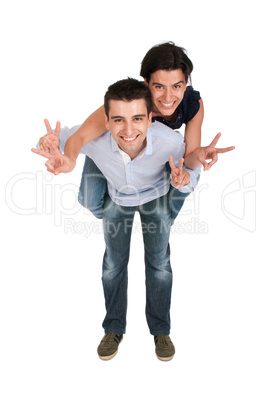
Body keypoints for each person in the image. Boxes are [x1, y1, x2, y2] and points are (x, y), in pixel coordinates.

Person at [32, 78, 203, 361]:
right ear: (107, 121)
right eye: (118, 120)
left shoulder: (171, 141)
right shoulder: (96, 140)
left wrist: (184, 179)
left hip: (156, 197)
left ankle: (161, 330)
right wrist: (48, 143)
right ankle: (113, 328)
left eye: (137, 118)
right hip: (118, 199)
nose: (128, 129)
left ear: (150, 119)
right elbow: (62, 139)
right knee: (113, 264)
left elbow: (190, 172)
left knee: (159, 264)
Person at [39, 42, 234, 220]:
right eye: (159, 86)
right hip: (118, 146)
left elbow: (189, 159)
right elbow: (80, 136)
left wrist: (198, 154)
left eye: (176, 86)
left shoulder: (192, 104)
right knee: (89, 200)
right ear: (146, 83)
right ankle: (116, 216)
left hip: (158, 152)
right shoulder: (129, 100)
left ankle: (161, 223)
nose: (168, 97)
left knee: (183, 184)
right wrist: (70, 158)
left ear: (185, 84)